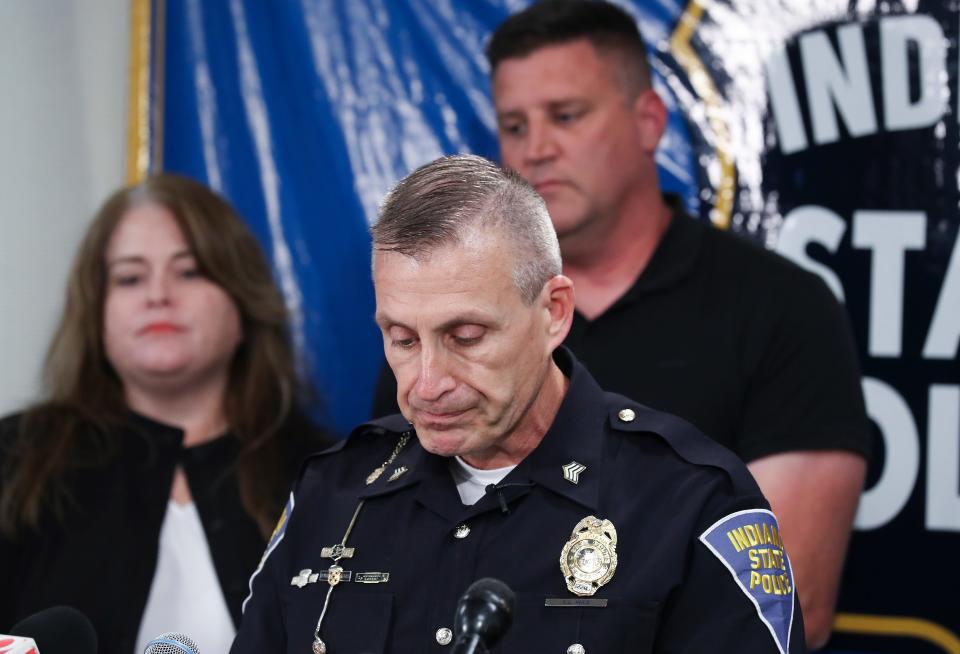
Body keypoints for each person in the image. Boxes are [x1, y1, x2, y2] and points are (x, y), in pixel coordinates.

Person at [369, 2, 870, 648]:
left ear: (648, 121)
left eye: (566, 116)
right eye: (514, 125)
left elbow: (785, 600)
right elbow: (393, 563)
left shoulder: (782, 310)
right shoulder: (439, 324)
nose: (536, 148)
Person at [233, 154, 806, 653]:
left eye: (466, 336)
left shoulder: (690, 505)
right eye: (402, 339)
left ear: (554, 312)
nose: (427, 383)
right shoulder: (331, 494)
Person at [0, 174, 333, 654]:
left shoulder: (325, 474)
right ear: (97, 312)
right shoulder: (17, 460)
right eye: (130, 277)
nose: (158, 294)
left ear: (244, 302)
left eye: (190, 271)